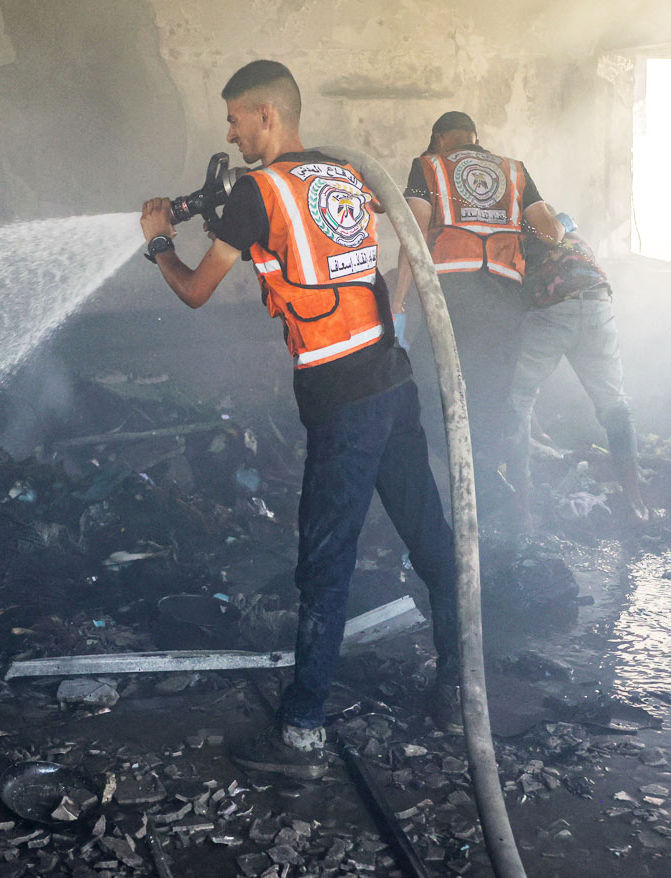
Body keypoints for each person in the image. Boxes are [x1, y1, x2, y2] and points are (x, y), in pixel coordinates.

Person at [138, 60, 461, 779]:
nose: (229, 132)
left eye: (234, 119)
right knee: (432, 538)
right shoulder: (339, 174)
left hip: (344, 404)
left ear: (266, 116)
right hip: (392, 383)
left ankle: (302, 734)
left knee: (324, 567)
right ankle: (457, 689)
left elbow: (195, 291)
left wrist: (160, 239)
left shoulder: (259, 189)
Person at [396, 112, 566, 517]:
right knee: (489, 396)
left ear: (438, 139)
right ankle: (489, 495)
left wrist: (398, 301)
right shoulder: (514, 170)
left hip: (455, 295)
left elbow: (413, 232)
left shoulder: (429, 166)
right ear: (476, 138)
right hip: (507, 299)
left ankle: (467, 484)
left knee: (422, 385)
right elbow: (552, 233)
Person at [508, 211, 648, 523]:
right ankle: (635, 502)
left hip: (552, 312)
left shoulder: (518, 240)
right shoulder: (576, 239)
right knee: (614, 403)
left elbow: (516, 298)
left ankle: (520, 501)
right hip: (599, 306)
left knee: (517, 400)